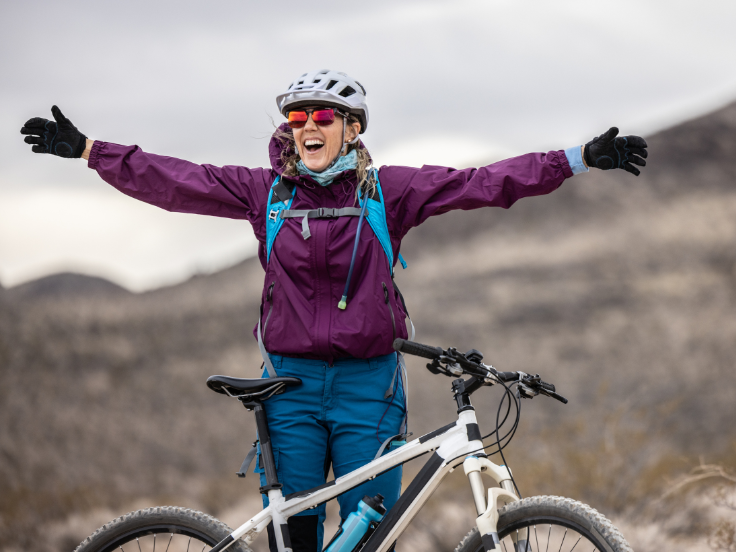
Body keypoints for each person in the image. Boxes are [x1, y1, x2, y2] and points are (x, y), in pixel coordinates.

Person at [20, 69, 647, 552]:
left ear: (352, 127)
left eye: (323, 115)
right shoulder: (262, 193)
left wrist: (576, 158)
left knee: (370, 531)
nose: (306, 126)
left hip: (367, 386)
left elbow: (483, 183)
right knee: (298, 532)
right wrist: (89, 150)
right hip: (288, 387)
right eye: (297, 117)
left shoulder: (389, 191)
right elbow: (172, 179)